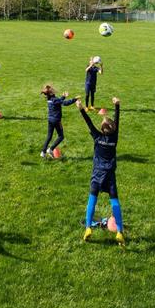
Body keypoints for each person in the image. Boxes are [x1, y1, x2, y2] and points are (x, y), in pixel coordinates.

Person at [77, 96, 125, 245]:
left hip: (97, 174)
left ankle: (88, 228)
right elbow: (117, 122)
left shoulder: (97, 137)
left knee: (92, 201)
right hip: (110, 175)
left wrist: (80, 109)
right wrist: (117, 106)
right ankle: (119, 232)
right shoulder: (114, 139)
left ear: (102, 130)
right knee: (115, 202)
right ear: (113, 130)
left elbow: (89, 123)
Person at [40, 84, 81, 158]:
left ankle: (43, 152)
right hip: (56, 120)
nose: (54, 89)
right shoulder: (55, 99)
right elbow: (65, 103)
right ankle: (50, 149)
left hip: (50, 120)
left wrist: (64, 97)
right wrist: (74, 99)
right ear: (51, 92)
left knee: (49, 136)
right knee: (61, 136)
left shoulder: (49, 99)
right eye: (52, 89)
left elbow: (59, 101)